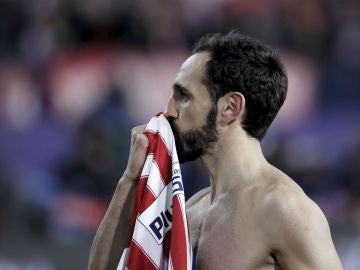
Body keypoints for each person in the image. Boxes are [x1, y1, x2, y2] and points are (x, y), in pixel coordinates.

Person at [87, 30, 343, 270]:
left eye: (184, 96)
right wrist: (130, 180)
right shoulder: (193, 208)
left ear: (230, 107)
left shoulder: (284, 208)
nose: (168, 112)